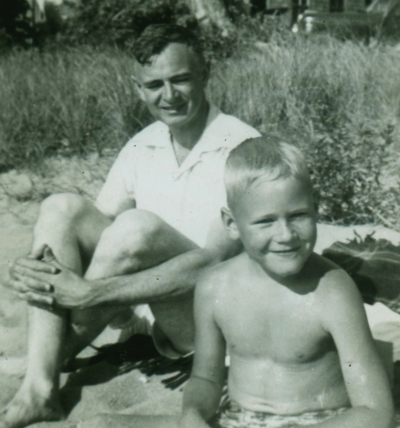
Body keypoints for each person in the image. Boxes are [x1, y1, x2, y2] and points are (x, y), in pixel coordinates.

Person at [1, 24, 260, 428]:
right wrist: (31, 266)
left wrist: (89, 294)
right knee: (60, 207)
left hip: (210, 321)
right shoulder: (144, 142)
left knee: (136, 227)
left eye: (181, 79)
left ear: (205, 74)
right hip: (145, 314)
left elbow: (213, 263)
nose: (168, 96)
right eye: (154, 84)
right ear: (138, 89)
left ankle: (44, 367)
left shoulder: (241, 146)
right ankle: (41, 382)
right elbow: (98, 236)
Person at [179, 137, 394, 428]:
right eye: (265, 221)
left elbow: (375, 411)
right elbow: (205, 378)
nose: (285, 235)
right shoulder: (214, 287)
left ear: (315, 210)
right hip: (238, 418)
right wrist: (193, 414)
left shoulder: (332, 290)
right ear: (231, 224)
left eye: (298, 216)